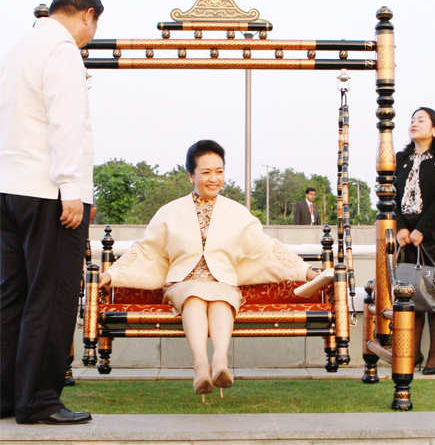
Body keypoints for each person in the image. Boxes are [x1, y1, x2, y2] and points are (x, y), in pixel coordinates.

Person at [99, 140, 318, 400]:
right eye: (206, 172)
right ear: (191, 174)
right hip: (183, 283)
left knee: (221, 300)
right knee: (194, 297)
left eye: (219, 171)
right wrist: (112, 275)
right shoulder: (170, 212)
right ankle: (201, 364)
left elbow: (267, 249)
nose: (214, 178)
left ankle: (220, 362)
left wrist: (306, 272)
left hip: (222, 282)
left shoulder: (237, 213)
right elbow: (147, 251)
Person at [0, 0, 102, 425]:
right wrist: (72, 187)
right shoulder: (62, 51)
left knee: (11, 299)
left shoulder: (20, 47)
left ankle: (6, 396)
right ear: (88, 16)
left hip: (9, 189)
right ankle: (40, 399)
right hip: (47, 191)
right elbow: (66, 122)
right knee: (53, 296)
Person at [394, 107, 435, 375]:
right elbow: (390, 195)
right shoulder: (400, 158)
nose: (414, 123)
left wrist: (421, 229)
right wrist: (400, 228)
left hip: (431, 236)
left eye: (421, 120)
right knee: (412, 297)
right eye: (412, 119)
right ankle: (414, 352)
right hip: (406, 238)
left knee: (434, 295)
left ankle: (434, 355)